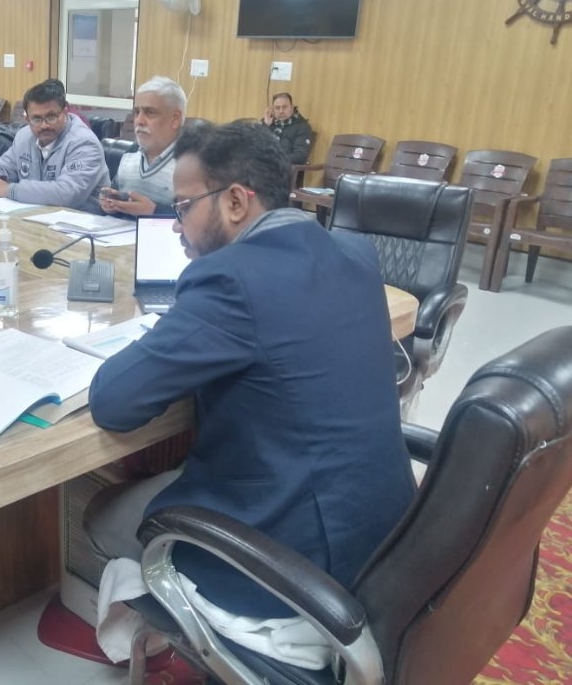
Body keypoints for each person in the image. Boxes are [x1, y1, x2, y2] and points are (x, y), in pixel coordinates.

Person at [86, 121, 415, 632]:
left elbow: (114, 401)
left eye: (183, 207)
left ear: (237, 201)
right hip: (388, 535)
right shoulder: (355, 253)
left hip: (294, 563)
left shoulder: (230, 278)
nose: (176, 226)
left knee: (104, 513)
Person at [0, 79, 109, 212]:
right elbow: (2, 169)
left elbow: (67, 194)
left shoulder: (84, 142)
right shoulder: (24, 136)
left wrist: (9, 190)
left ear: (65, 113)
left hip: (82, 226)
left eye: (51, 117)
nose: (44, 125)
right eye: (37, 119)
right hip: (36, 218)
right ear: (27, 119)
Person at [99, 76, 186, 217]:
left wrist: (154, 211)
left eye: (150, 113)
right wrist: (109, 204)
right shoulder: (130, 155)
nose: (139, 121)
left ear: (175, 118)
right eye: (136, 112)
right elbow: (116, 201)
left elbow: (201, 222)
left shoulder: (192, 165)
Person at [262, 92, 313, 165]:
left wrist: (275, 159)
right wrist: (265, 126)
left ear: (292, 107)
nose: (281, 111)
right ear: (273, 110)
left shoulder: (302, 127)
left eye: (285, 107)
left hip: (284, 168)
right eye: (277, 108)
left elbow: (300, 156)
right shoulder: (268, 122)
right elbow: (254, 147)